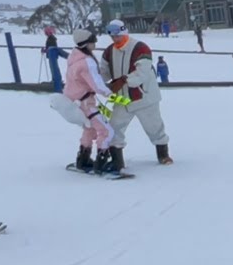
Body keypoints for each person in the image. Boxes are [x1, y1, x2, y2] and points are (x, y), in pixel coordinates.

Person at [100, 19, 172, 167]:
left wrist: (124, 80)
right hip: (122, 99)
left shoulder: (141, 48)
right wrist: (92, 80)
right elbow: (104, 72)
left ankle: (163, 154)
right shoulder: (108, 52)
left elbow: (142, 73)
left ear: (124, 32)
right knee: (114, 128)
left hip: (144, 97)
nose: (115, 39)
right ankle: (117, 161)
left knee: (154, 127)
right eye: (112, 36)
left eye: (117, 35)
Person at [63, 30, 117, 174]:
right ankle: (102, 163)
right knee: (107, 131)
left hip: (76, 102)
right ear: (86, 43)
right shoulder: (87, 62)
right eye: (93, 40)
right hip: (86, 103)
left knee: (90, 129)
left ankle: (83, 159)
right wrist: (115, 96)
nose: (95, 42)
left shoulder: (74, 58)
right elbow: (98, 86)